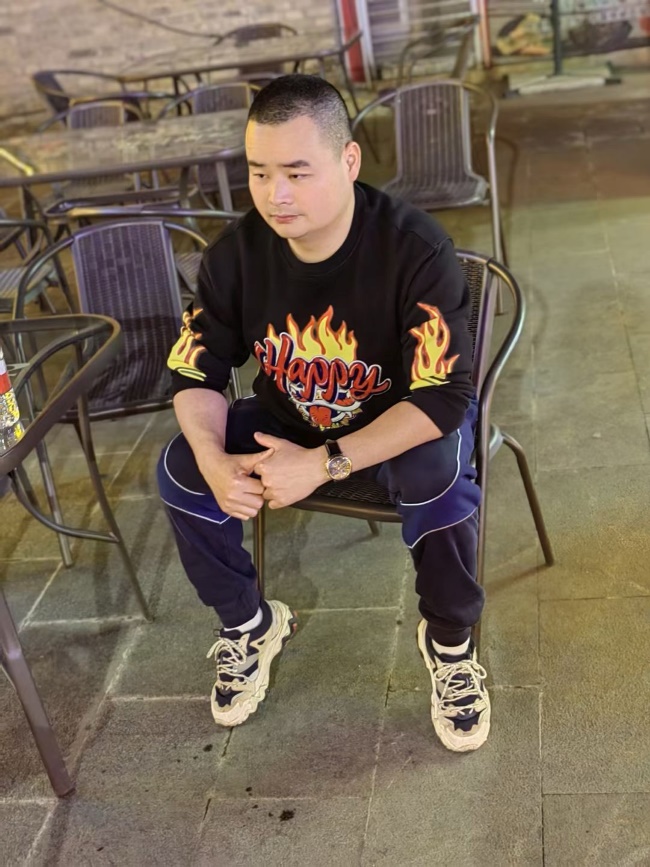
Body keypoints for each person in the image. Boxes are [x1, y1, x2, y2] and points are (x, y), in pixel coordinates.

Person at [157, 74, 490, 752]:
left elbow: (442, 397)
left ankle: (451, 642)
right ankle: (249, 624)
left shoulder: (416, 249)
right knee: (180, 467)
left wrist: (324, 462)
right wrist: (216, 461)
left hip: (397, 424)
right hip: (288, 419)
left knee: (440, 474)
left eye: (297, 172)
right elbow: (194, 372)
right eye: (259, 173)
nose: (275, 194)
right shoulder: (234, 256)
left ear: (348, 160)